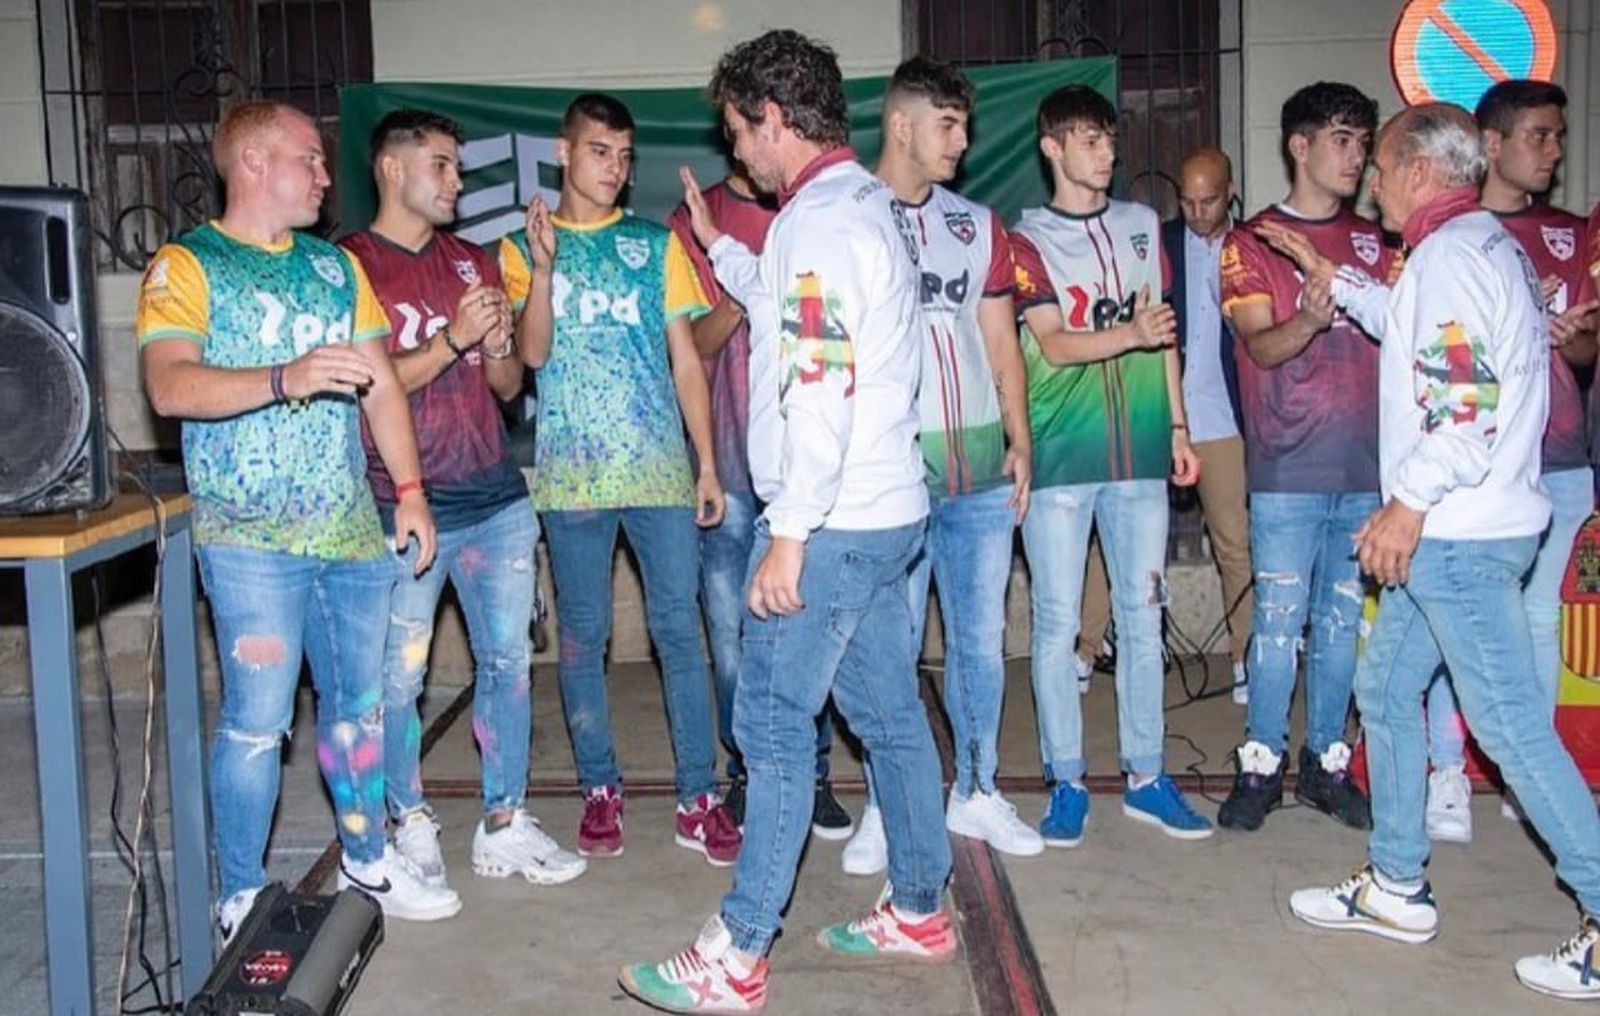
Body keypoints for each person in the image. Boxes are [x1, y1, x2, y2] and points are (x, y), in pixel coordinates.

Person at [620, 30, 953, 1012]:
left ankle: (737, 950)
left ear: (773, 118)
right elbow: (785, 305)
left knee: (767, 724)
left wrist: (792, 533)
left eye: (737, 134)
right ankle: (922, 906)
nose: (735, 157)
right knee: (890, 716)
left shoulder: (815, 225)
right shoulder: (856, 208)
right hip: (884, 513)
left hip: (831, 522)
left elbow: (818, 383)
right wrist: (715, 239)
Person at [1285, 101, 1600, 1004]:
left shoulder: (1453, 260)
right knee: (1385, 690)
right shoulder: (1473, 247)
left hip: (1457, 534)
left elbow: (1464, 412)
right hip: (1465, 531)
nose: (1372, 182)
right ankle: (1395, 885)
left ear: (1420, 171)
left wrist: (1406, 507)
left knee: (1507, 730)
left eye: (1381, 167)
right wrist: (1340, 283)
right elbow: (1427, 334)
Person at [136, 99, 460, 937]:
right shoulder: (187, 264)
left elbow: (383, 383)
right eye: (310, 159)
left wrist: (412, 490)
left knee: (359, 707)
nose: (326, 174)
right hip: (251, 540)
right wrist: (288, 375)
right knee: (258, 721)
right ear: (252, 163)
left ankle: (367, 859)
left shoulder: (332, 267)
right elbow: (170, 386)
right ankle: (240, 891)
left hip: (352, 535)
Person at [341, 109, 586, 891]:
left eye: (457, 167)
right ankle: (406, 820)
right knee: (400, 679)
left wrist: (503, 330)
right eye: (441, 166)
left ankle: (504, 822)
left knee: (509, 663)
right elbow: (362, 388)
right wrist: (448, 338)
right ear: (391, 168)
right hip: (400, 506)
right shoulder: (347, 266)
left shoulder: (472, 260)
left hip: (494, 495)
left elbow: (510, 385)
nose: (456, 182)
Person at [499, 93, 739, 865]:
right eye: (600, 151)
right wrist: (542, 271)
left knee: (680, 632)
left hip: (660, 472)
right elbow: (530, 359)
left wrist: (705, 461)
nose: (615, 167)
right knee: (583, 640)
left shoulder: (652, 244)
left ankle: (697, 796)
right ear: (565, 154)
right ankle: (599, 788)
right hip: (572, 480)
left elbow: (685, 359)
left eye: (625, 155)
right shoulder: (522, 247)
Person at [840, 54, 1039, 877]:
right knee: (889, 648)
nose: (962, 140)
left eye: (966, 124)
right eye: (947, 125)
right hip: (895, 477)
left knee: (981, 643)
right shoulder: (848, 217)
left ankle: (979, 787)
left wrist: (1019, 439)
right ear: (902, 125)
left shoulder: (976, 224)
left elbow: (999, 340)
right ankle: (890, 803)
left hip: (980, 472)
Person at [1012, 84, 1210, 848]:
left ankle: (1147, 775)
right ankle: (1066, 780)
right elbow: (1055, 344)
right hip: (1063, 455)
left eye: (1110, 139)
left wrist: (1181, 427)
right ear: (1052, 147)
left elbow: (1162, 337)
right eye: (1090, 140)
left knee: (1143, 612)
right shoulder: (1024, 239)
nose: (1108, 152)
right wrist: (1129, 332)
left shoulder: (1138, 227)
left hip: (1140, 452)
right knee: (1060, 623)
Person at [1419, 80, 1597, 844]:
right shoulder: (1449, 235)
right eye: (1538, 136)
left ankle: (1526, 773)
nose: (1553, 151)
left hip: (1555, 461)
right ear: (1491, 144)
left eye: (1559, 136)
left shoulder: (1569, 233)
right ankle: (1449, 773)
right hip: (1472, 472)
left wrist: (1570, 337)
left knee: (1534, 621)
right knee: (1442, 627)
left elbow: (1588, 350)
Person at [1216, 81, 1390, 833]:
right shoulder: (1248, 240)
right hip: (1287, 465)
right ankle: (1260, 763)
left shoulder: (1375, 242)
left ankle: (1325, 763)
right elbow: (1259, 342)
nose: (1356, 156)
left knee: (1342, 623)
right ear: (1300, 145)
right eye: (1342, 140)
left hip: (1366, 468)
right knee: (1279, 622)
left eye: (1363, 142)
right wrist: (1313, 318)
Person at [667, 166, 852, 840]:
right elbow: (695, 344)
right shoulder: (697, 218)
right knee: (729, 630)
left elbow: (831, 342)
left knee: (808, 625)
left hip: (801, 474)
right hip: (728, 463)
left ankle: (814, 772)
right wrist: (754, 283)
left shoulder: (812, 210)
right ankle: (746, 772)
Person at [1169, 146, 1254, 706]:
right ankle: (1089, 647)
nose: (1198, 213)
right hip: (1163, 411)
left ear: (1230, 194)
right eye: (1188, 201)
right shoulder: (1158, 240)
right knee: (1127, 537)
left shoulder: (1252, 248)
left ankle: (1246, 655)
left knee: (1233, 543)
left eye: (1209, 201)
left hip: (1223, 415)